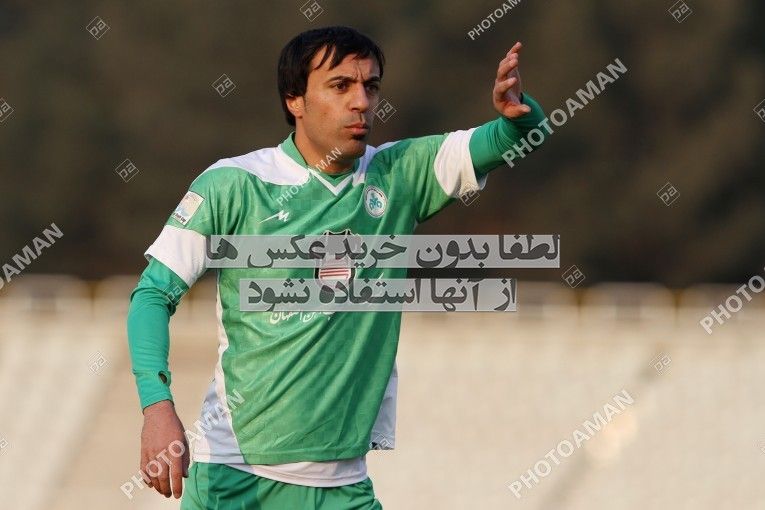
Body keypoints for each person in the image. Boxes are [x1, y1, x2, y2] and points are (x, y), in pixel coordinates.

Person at [127, 25, 547, 509]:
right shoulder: (234, 184)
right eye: (341, 85)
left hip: (345, 488)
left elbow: (519, 135)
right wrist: (156, 407)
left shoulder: (399, 174)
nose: (361, 102)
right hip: (237, 480)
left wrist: (519, 110)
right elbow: (152, 295)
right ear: (295, 100)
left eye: (371, 86)